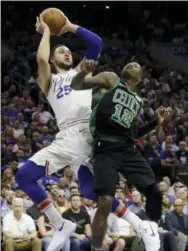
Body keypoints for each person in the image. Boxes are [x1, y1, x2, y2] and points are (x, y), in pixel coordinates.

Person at [15, 12, 103, 251]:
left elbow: (96, 43)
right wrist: (45, 32)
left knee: (92, 194)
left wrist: (69, 26)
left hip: (84, 135)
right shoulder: (49, 81)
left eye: (68, 51)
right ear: (54, 60)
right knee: (23, 177)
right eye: (60, 51)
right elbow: (41, 60)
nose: (67, 53)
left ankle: (139, 224)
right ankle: (60, 224)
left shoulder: (82, 72)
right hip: (64, 138)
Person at [71, 60, 168, 251]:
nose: (133, 62)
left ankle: (151, 230)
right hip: (105, 145)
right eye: (130, 63)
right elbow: (77, 85)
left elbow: (133, 134)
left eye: (137, 64)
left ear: (139, 79)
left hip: (127, 149)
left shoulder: (138, 101)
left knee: (155, 191)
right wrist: (82, 72)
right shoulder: (112, 79)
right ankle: (97, 248)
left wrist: (155, 123)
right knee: (105, 201)